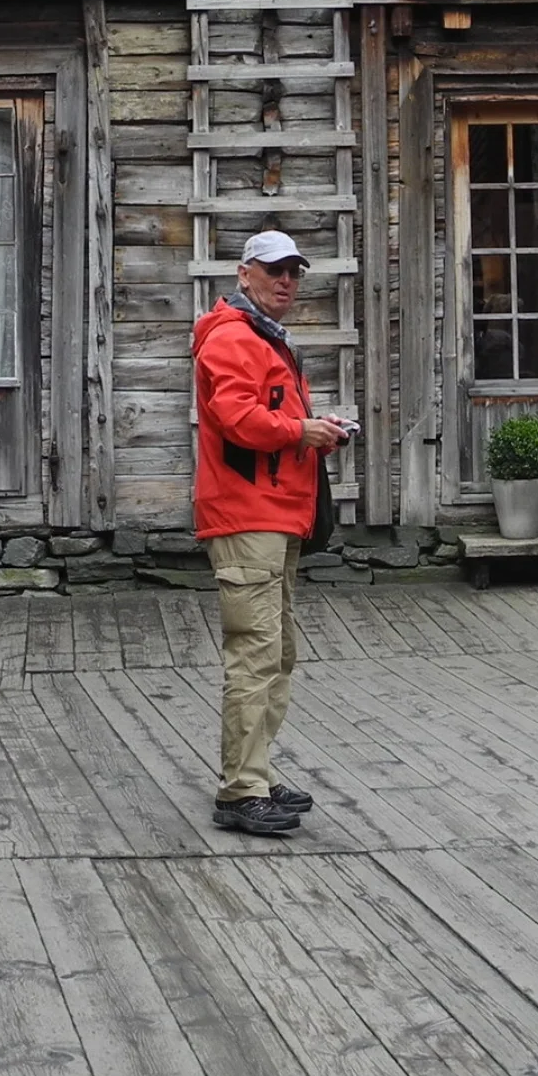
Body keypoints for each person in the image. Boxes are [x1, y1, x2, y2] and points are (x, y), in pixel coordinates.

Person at [192, 229, 349, 836]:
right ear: (244, 274)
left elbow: (268, 416)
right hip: (247, 514)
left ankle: (252, 775)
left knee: (276, 654)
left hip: (274, 512)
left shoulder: (264, 338)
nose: (286, 281)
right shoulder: (234, 336)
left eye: (294, 272)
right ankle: (239, 793)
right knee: (256, 656)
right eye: (274, 270)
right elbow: (237, 419)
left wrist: (316, 426)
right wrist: (300, 432)